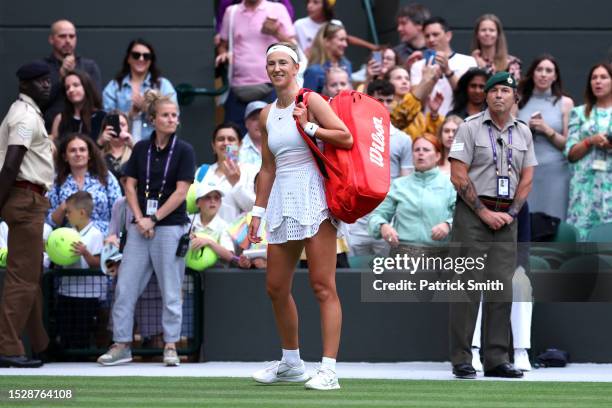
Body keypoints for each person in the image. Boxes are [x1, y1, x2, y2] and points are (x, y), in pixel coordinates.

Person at [248, 42, 352, 390]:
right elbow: (267, 167)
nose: (276, 68)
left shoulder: (312, 101)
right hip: (281, 199)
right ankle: (292, 362)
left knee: (323, 286)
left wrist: (310, 128)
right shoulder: (265, 114)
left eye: (283, 63)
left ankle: (330, 371)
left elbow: (346, 137)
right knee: (275, 287)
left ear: (295, 67)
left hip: (314, 197)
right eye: (271, 63)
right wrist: (257, 213)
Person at [448, 71, 537, 379]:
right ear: (485, 96)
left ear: (515, 98)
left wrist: (512, 212)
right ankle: (462, 358)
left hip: (507, 216)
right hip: (473, 214)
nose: (499, 95)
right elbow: (458, 175)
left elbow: (527, 176)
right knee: (468, 286)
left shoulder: (524, 132)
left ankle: (497, 358)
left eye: (505, 90)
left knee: (501, 287)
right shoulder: (468, 128)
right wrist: (484, 212)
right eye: (494, 90)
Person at [97, 90, 196, 367]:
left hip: (170, 227)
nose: (172, 119)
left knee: (171, 288)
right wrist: (140, 218)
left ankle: (171, 345)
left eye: (175, 115)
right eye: (166, 115)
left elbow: (180, 192)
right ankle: (121, 345)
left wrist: (153, 219)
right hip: (140, 227)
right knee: (125, 287)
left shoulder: (185, 150)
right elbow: (129, 185)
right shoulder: (141, 148)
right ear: (153, 119)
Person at [0, 61, 54, 368]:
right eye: (39, 81)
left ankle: (41, 343)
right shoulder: (23, 116)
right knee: (23, 277)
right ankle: (7, 346)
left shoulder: (27, 112)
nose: (46, 85)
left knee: (30, 274)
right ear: (24, 85)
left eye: (47, 80)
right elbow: (11, 164)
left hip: (28, 198)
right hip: (25, 198)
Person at [348, 79, 413, 256]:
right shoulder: (352, 135)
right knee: (351, 276)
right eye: (379, 99)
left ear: (395, 102)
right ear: (369, 100)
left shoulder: (403, 139)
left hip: (389, 219)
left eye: (389, 100)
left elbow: (406, 181)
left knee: (386, 279)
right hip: (355, 219)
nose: (384, 105)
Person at [368, 134, 455, 260]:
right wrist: (383, 226)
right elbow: (375, 217)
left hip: (439, 256)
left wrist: (448, 225)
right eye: (416, 150)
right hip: (403, 256)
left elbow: (462, 217)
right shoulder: (399, 185)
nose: (421, 153)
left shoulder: (449, 184)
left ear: (437, 156)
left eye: (426, 150)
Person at [216, 0, 296, 131]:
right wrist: (223, 54)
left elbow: (294, 48)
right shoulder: (231, 12)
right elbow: (223, 44)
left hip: (272, 89)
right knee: (230, 138)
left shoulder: (277, 9)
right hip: (237, 89)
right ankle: (230, 153)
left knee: (274, 135)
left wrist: (276, 33)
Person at [518, 55, 574, 223]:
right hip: (525, 171)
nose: (543, 74)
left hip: (556, 172)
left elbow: (568, 145)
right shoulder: (517, 100)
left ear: (555, 76)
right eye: (539, 70)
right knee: (526, 223)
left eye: (548, 70)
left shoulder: (565, 103)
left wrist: (546, 129)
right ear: (532, 73)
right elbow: (509, 141)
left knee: (555, 221)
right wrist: (527, 129)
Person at [565, 63, 612, 240]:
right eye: (594, 78)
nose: (598, 82)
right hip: (584, 188)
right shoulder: (579, 113)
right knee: (583, 238)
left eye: (603, 77)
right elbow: (570, 154)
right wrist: (590, 141)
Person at [55, 191, 105, 349]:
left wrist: (84, 252)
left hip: (87, 295)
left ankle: (81, 361)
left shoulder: (95, 234)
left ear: (82, 212)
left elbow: (97, 263)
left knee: (82, 332)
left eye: (69, 212)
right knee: (65, 330)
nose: (67, 215)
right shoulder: (66, 233)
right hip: (66, 291)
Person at [103, 38, 177, 142]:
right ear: (128, 58)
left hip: (155, 145)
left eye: (146, 56)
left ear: (151, 61)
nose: (141, 59)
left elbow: (173, 117)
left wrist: (148, 108)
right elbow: (106, 120)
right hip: (122, 146)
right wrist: (130, 114)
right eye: (136, 55)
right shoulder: (114, 86)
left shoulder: (163, 85)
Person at [47, 134, 122, 236]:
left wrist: (113, 236)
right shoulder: (56, 181)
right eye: (73, 150)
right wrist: (64, 206)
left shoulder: (105, 176)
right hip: (68, 238)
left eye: (82, 150)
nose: (78, 154)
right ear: (65, 156)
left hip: (103, 237)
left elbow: (119, 211)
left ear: (89, 155)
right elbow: (50, 222)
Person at [410, 16, 477, 116]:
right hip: (428, 126)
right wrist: (427, 80)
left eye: (435, 34)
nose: (431, 39)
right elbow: (416, 103)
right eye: (427, 36)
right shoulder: (418, 66)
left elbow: (471, 96)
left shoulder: (468, 61)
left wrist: (448, 71)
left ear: (448, 35)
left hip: (459, 122)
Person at [43, 20, 102, 131]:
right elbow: (39, 103)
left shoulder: (89, 66)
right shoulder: (43, 68)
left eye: (72, 36)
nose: (68, 40)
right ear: (51, 39)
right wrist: (61, 78)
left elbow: (97, 100)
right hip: (51, 133)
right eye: (62, 36)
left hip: (85, 132)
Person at [194, 122, 257, 223]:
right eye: (220, 139)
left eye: (231, 139)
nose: (226, 143)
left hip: (236, 237)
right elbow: (194, 207)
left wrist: (236, 184)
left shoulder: (251, 171)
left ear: (240, 145)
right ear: (213, 146)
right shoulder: (202, 172)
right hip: (206, 236)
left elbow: (255, 209)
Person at [390, 62, 444, 140]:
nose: (404, 82)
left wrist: (434, 115)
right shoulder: (385, 107)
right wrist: (424, 80)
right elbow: (398, 119)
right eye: (398, 78)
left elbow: (432, 139)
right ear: (388, 83)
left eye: (407, 79)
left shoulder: (418, 114)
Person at [50, 69, 106, 143]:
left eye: (76, 85)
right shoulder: (60, 118)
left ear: (86, 87)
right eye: (67, 88)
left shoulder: (101, 117)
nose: (71, 90)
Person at [189, 184, 236, 265]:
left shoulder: (224, 226)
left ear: (220, 202)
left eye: (216, 198)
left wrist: (209, 242)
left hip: (214, 273)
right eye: (208, 197)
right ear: (198, 203)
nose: (213, 201)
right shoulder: (187, 221)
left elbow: (230, 256)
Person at [303, 20, 351, 93]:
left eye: (345, 40)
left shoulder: (346, 65)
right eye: (341, 40)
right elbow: (306, 102)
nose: (345, 44)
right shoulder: (314, 71)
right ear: (326, 41)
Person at [98, 110, 134, 183]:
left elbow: (148, 166)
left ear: (128, 128)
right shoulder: (99, 152)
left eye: (122, 125)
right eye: (115, 125)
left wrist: (132, 145)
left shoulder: (135, 150)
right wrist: (100, 143)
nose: (119, 128)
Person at [393, 3, 430, 67]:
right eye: (398, 24)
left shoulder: (436, 50)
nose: (399, 28)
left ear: (420, 25)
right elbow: (377, 54)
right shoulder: (395, 52)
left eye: (403, 23)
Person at [239, 101, 267, 169]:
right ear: (246, 123)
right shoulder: (232, 147)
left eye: (263, 118)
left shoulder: (280, 145)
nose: (259, 123)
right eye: (255, 119)